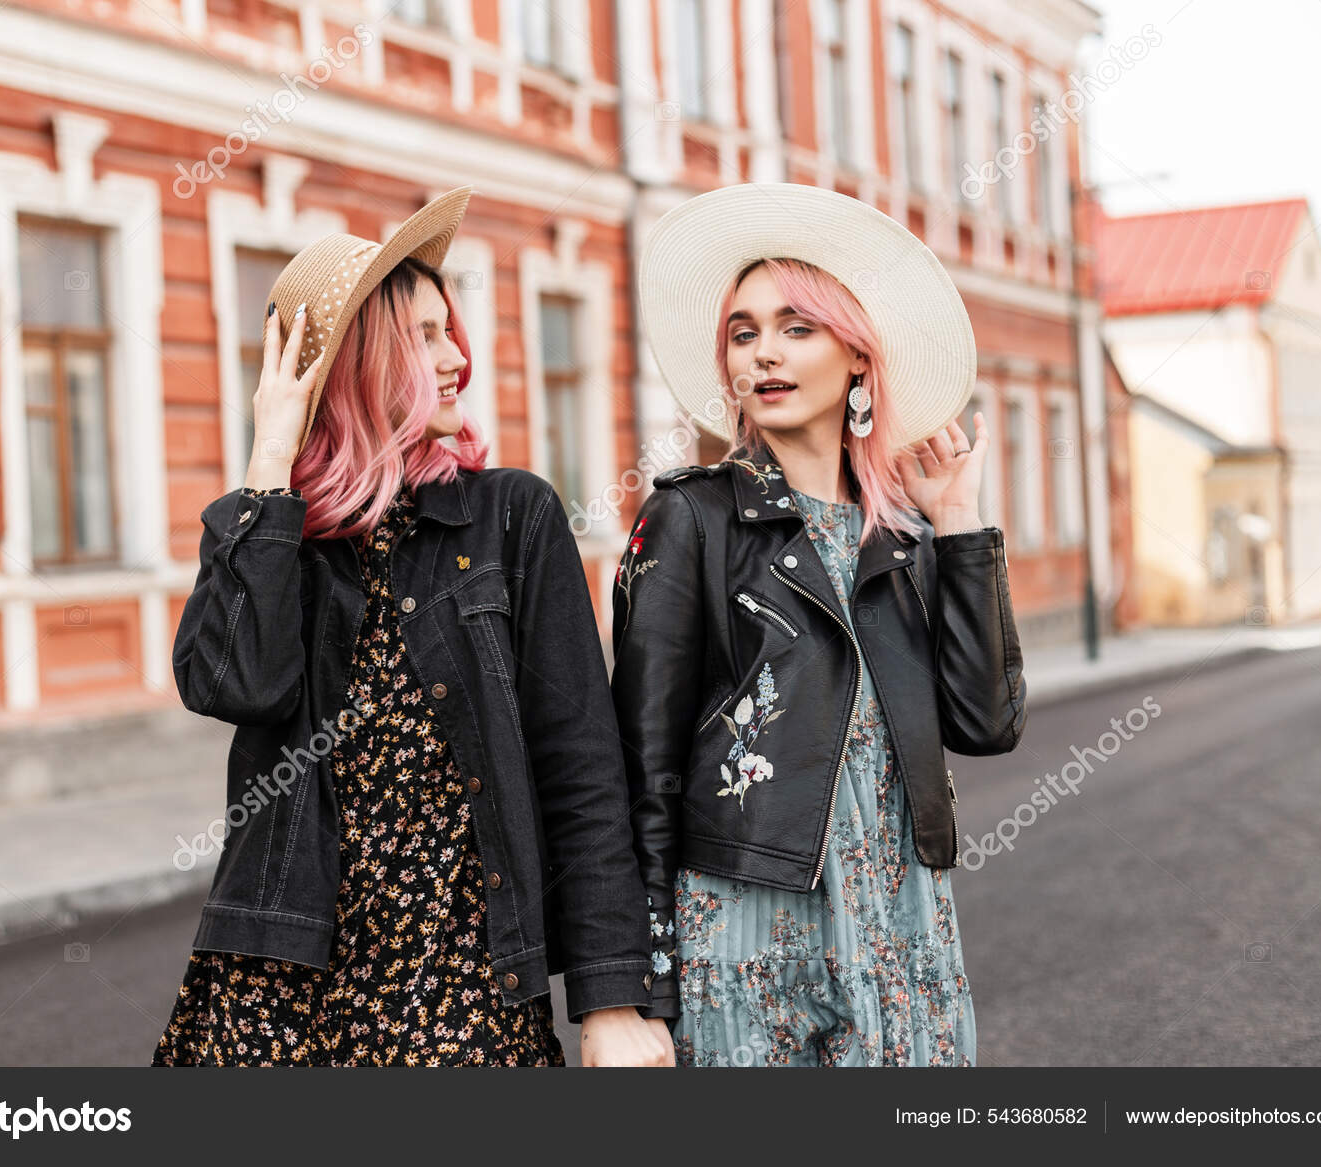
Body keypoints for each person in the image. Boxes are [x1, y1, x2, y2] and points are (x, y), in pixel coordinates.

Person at [153, 187, 666, 1067]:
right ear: (356, 369)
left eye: (449, 330)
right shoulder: (287, 542)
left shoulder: (510, 519)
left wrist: (611, 998)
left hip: (462, 998)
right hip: (280, 1001)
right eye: (422, 338)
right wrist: (268, 468)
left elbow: (581, 767)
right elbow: (231, 683)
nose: (456, 356)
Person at [612, 182, 1029, 1066]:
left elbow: (987, 723)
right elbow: (639, 773)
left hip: (904, 925)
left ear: (857, 358)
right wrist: (637, 991)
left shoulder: (909, 537)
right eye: (744, 331)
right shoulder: (691, 521)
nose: (764, 353)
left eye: (796, 327)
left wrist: (959, 526)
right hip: (750, 932)